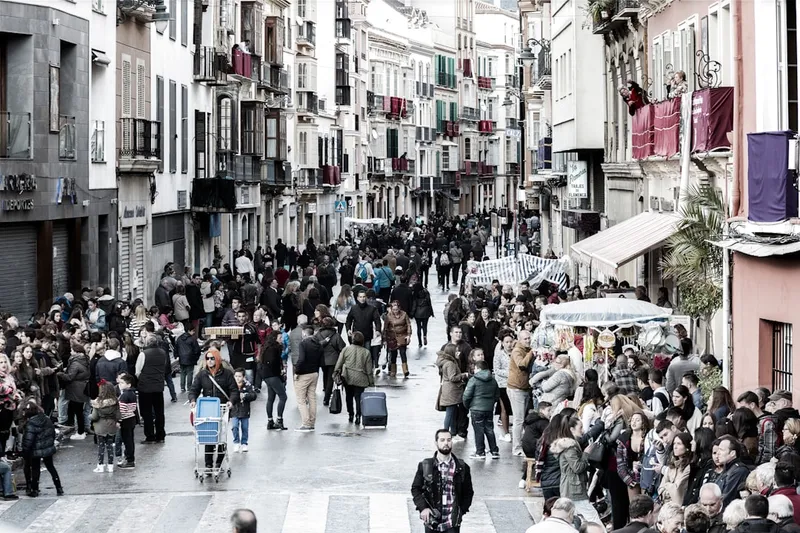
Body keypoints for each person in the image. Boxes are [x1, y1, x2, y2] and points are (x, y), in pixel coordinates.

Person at [410, 429, 474, 533]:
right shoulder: (425, 466)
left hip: (452, 523)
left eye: (449, 440)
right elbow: (415, 489)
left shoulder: (462, 467)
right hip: (432, 521)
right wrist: (423, 508)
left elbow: (468, 492)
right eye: (442, 440)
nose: (446, 443)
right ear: (436, 443)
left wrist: (460, 511)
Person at [189, 348, 239, 472]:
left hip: (222, 409)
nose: (210, 361)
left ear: (217, 359)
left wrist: (231, 402)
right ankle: (209, 464)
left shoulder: (227, 374)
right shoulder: (202, 374)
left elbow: (234, 390)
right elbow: (194, 389)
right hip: (208, 408)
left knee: (221, 436)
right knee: (209, 435)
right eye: (207, 358)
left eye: (212, 358)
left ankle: (218, 463)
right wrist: (193, 400)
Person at [21, 401, 62, 497]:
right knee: (51, 467)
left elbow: (28, 440)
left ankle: (35, 489)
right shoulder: (46, 419)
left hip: (36, 450)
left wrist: (25, 451)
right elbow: (52, 432)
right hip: (48, 448)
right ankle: (58, 487)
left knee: (35, 468)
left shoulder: (30, 423)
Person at [333, 331, 374, 425]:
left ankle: (350, 414)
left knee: (349, 396)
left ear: (352, 340)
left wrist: (335, 372)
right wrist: (371, 381)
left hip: (347, 376)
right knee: (358, 397)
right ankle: (358, 415)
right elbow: (369, 370)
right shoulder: (366, 352)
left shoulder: (346, 349)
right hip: (361, 378)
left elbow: (339, 363)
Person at [135, 335, 170, 444]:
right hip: (158, 386)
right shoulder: (163, 352)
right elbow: (165, 366)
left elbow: (138, 371)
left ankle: (150, 435)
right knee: (159, 412)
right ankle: (160, 434)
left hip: (145, 387)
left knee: (147, 412)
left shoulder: (143, 354)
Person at [462, 360, 500, 459]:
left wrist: (468, 406)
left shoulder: (473, 380)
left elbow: (466, 396)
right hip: (488, 409)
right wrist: (491, 403)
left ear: (478, 369)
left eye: (474, 368)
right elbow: (496, 395)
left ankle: (480, 452)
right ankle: (494, 451)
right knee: (489, 429)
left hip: (476, 409)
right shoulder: (493, 380)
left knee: (478, 431)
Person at [508, 330, 535, 456]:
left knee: (522, 419)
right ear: (519, 340)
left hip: (525, 387)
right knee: (518, 420)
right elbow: (521, 364)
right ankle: (516, 448)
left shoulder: (526, 349)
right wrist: (531, 353)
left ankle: (522, 445)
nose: (528, 340)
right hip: (516, 388)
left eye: (529, 338)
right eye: (525, 339)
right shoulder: (517, 351)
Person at [294, 326, 323, 432]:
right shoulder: (318, 344)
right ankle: (312, 422)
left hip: (304, 374)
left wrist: (297, 371)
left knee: (301, 399)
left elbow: (301, 359)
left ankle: (306, 423)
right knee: (312, 398)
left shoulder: (303, 344)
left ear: (305, 333)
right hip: (314, 372)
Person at [259, 331, 288, 431]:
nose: (281, 339)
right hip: (273, 375)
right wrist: (280, 375)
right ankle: (279, 420)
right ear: (274, 338)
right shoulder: (274, 349)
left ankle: (270, 421)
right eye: (280, 337)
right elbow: (273, 363)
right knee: (283, 397)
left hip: (266, 375)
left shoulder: (267, 348)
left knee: (271, 398)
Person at [91, 381, 122, 473]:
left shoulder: (97, 403)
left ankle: (100, 466)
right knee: (110, 446)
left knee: (101, 446)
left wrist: (90, 417)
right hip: (111, 426)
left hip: (100, 427)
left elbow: (94, 417)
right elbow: (118, 415)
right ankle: (110, 466)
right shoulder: (115, 402)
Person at [714, 435, 752, 508]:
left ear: (732, 453)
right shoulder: (727, 469)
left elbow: (726, 498)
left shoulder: (739, 471)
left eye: (721, 450)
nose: (718, 453)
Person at [230, 368, 257, 453]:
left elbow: (253, 395)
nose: (237, 378)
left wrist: (245, 396)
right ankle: (236, 442)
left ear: (243, 377)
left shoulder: (247, 385)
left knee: (245, 428)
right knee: (234, 426)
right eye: (236, 376)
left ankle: (244, 443)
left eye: (239, 376)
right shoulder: (231, 386)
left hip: (245, 410)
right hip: (234, 410)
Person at [384, 300, 412, 378]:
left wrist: (409, 335)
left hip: (402, 335)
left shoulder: (404, 314)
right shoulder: (389, 316)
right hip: (392, 337)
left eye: (396, 310)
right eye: (393, 310)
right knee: (393, 354)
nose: (395, 311)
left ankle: (405, 370)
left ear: (399, 308)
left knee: (403, 353)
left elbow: (408, 324)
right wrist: (384, 339)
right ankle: (393, 370)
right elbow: (385, 328)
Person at [116, 373, 138, 469]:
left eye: (122, 383)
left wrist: (119, 421)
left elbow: (122, 410)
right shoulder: (132, 394)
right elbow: (133, 407)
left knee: (127, 441)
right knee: (130, 440)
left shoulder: (124, 395)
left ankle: (130, 460)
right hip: (131, 418)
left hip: (125, 420)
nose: (120, 384)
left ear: (128, 385)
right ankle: (130, 458)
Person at [175, 323, 201, 393]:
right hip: (190, 358)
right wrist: (196, 358)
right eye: (193, 331)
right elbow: (197, 350)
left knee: (183, 373)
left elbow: (176, 348)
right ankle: (189, 387)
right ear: (190, 330)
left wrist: (176, 356)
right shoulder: (192, 339)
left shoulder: (179, 338)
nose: (194, 332)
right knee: (190, 372)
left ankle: (182, 387)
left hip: (181, 358)